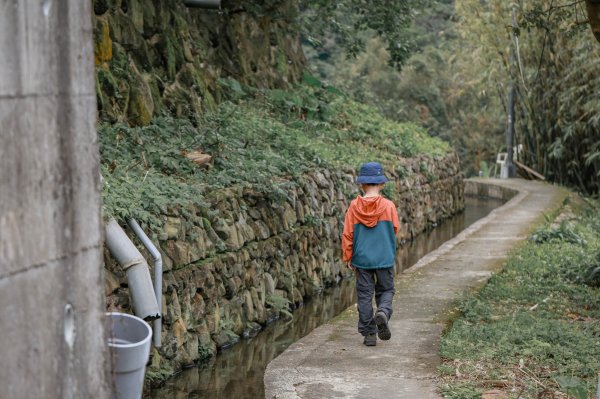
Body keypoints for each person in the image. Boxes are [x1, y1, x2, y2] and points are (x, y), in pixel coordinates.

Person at [342, 162, 399, 346]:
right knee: (386, 290)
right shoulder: (389, 206)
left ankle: (369, 335)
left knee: (365, 295)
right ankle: (382, 311)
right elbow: (395, 229)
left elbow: (348, 234)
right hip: (384, 258)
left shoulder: (353, 207)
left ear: (362, 184)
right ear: (381, 184)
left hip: (362, 259)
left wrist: (348, 256)